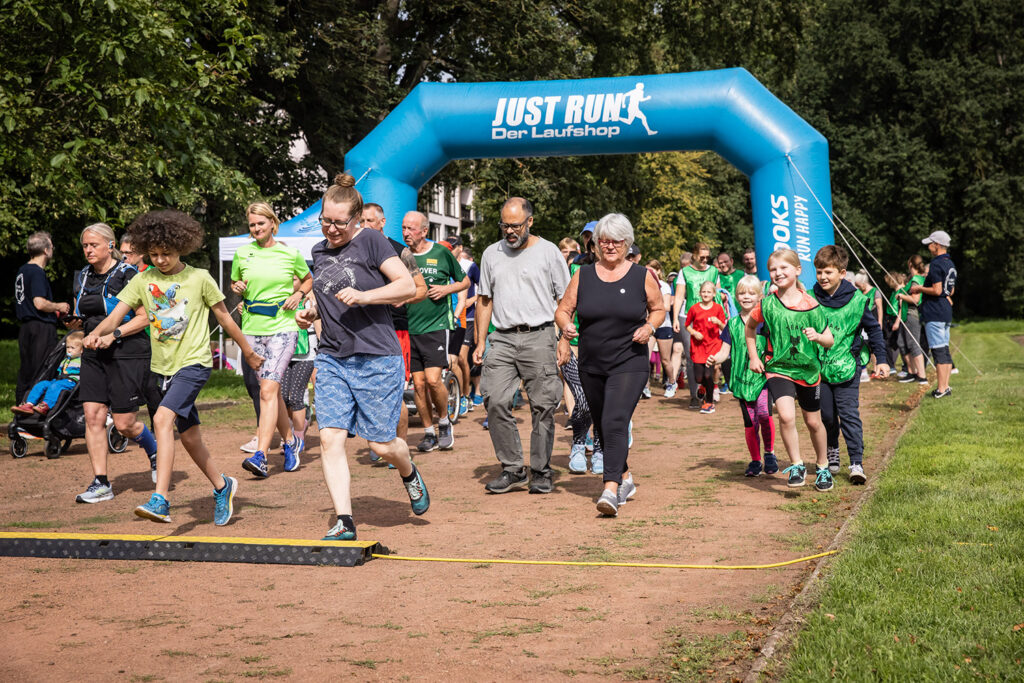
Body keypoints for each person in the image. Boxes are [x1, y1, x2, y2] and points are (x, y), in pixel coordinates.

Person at [88, 209, 263, 525]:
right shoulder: (143, 278)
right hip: (161, 369)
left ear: (180, 247)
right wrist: (97, 334)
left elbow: (224, 317)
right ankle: (223, 486)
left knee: (163, 420)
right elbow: (118, 314)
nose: (160, 260)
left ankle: (161, 499)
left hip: (194, 363)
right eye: (153, 254)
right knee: (191, 437)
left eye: (166, 254)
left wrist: (247, 352)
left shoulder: (199, 278)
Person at [296, 173, 428, 541]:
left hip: (376, 356)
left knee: (381, 444)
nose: (332, 229)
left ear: (355, 220)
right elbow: (324, 301)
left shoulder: (371, 241)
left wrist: (366, 296)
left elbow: (406, 285)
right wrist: (310, 311)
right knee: (330, 438)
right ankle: (344, 520)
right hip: (333, 357)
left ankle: (408, 471)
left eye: (339, 222)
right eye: (326, 220)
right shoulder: (319, 252)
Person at [556, 213, 664, 516]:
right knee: (604, 425)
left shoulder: (642, 275)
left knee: (615, 420)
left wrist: (650, 328)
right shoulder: (583, 275)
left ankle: (610, 488)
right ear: (596, 244)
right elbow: (563, 310)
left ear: (626, 242)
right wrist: (566, 327)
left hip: (629, 360)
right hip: (592, 362)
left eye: (616, 240)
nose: (610, 246)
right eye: (604, 241)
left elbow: (658, 309)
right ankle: (626, 477)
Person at [473, 197, 570, 494]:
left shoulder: (549, 252)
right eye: (504, 225)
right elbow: (484, 300)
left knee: (543, 405)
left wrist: (565, 338)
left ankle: (540, 470)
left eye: (515, 225)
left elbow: (565, 300)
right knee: (495, 400)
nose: (509, 231)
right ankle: (513, 468)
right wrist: (480, 341)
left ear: (530, 221)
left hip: (540, 335)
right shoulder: (491, 254)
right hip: (501, 337)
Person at [72, 222, 159, 502]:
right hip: (93, 352)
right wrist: (76, 324)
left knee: (123, 424)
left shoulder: (128, 273)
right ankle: (101, 483)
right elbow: (84, 312)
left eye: (93, 245)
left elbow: (145, 317)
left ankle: (154, 449)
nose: (88, 250)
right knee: (93, 416)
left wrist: (114, 333)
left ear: (110, 245)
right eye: (85, 245)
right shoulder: (83, 276)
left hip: (127, 350)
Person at [234, 202, 313, 478]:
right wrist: (238, 288)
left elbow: (307, 279)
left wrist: (298, 295)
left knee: (267, 391)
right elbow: (237, 285)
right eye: (252, 225)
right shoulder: (242, 254)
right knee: (272, 392)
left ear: (272, 224)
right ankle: (291, 442)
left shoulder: (289, 253)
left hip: (282, 326)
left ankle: (261, 456)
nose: (256, 229)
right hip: (252, 328)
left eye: (261, 224)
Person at [746, 249, 835, 491]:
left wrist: (817, 337)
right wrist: (754, 356)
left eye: (784, 268)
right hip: (778, 368)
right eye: (773, 269)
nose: (778, 273)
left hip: (808, 371)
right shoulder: (767, 304)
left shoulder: (812, 305)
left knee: (813, 422)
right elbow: (750, 328)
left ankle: (823, 466)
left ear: (797, 270)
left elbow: (829, 339)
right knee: (785, 416)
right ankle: (796, 465)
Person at [812, 246, 889, 484]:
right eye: (818, 272)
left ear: (842, 273)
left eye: (828, 272)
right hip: (819, 369)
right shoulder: (809, 297)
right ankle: (832, 449)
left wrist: (882, 360)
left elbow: (873, 330)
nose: (822, 277)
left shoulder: (857, 300)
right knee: (826, 416)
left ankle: (856, 462)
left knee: (848, 415)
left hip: (848, 367)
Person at [361, 203, 428, 447]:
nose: (364, 226)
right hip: (363, 328)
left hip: (394, 330)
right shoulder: (354, 249)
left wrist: (402, 297)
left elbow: (421, 289)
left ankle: (399, 445)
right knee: (369, 390)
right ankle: (378, 440)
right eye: (361, 221)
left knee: (392, 392)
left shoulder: (400, 251)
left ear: (382, 222)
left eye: (369, 221)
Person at [403, 211, 469, 452]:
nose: (406, 233)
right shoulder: (403, 256)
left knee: (432, 380)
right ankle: (428, 432)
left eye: (411, 228)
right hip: (410, 327)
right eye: (403, 228)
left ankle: (444, 423)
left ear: (424, 231)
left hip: (436, 326)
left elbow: (464, 282)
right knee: (418, 385)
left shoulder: (441, 253)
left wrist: (445, 290)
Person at [706, 276, 777, 477]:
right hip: (740, 380)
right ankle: (755, 460)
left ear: (760, 296)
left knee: (764, 413)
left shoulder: (766, 321)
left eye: (751, 293)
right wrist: (715, 359)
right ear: (736, 296)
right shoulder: (732, 324)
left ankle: (769, 453)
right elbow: (724, 350)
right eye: (742, 293)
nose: (746, 297)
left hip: (762, 378)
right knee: (750, 421)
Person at [15, 232, 69, 402]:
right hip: (41, 328)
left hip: (26, 328)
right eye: (51, 246)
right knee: (42, 370)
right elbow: (39, 303)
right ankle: (33, 409)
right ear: (46, 250)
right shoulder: (37, 272)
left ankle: (20, 409)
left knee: (26, 371)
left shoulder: (22, 270)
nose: (52, 249)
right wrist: (59, 306)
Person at [672, 243, 720, 409]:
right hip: (690, 318)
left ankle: (707, 393)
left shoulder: (713, 271)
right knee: (693, 357)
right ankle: (694, 395)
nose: (705, 260)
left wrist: (722, 319)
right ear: (694, 255)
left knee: (710, 357)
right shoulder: (685, 272)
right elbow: (679, 296)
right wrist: (675, 319)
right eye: (702, 257)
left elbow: (718, 294)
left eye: (708, 257)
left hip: (711, 319)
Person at [910, 231, 956, 398]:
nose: (928, 247)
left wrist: (919, 288)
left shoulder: (936, 264)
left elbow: (937, 290)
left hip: (934, 311)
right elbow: (950, 290)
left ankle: (941, 389)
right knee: (944, 349)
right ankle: (945, 386)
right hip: (945, 310)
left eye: (930, 244)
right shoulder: (950, 263)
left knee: (938, 351)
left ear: (937, 245)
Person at [13, 331, 84, 415]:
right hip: (59, 379)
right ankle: (28, 404)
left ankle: (46, 405)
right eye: (67, 347)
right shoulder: (65, 360)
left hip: (71, 381)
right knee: (42, 384)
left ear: (81, 350)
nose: (69, 350)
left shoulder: (82, 361)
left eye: (72, 348)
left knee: (56, 386)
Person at [686, 280, 727, 414]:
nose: (706, 294)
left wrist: (719, 322)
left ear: (714, 294)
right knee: (699, 377)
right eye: (703, 291)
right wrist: (694, 332)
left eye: (709, 292)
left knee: (708, 375)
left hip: (713, 345)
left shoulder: (718, 308)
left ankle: (709, 402)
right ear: (699, 293)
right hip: (698, 347)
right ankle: (703, 387)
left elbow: (725, 328)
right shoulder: (694, 308)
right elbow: (687, 325)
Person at [897, 254, 929, 384]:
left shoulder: (916, 279)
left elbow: (915, 300)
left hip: (912, 314)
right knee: (902, 342)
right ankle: (911, 372)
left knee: (913, 344)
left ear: (910, 264)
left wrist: (901, 295)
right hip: (906, 314)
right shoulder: (918, 278)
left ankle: (922, 376)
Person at [647, 260, 676, 398]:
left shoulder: (664, 286)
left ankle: (672, 382)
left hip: (664, 325)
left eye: (652, 270)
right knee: (645, 358)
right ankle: (645, 387)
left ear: (658, 271)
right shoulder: (643, 284)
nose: (650, 273)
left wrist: (650, 307)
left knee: (665, 360)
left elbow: (666, 307)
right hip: (649, 325)